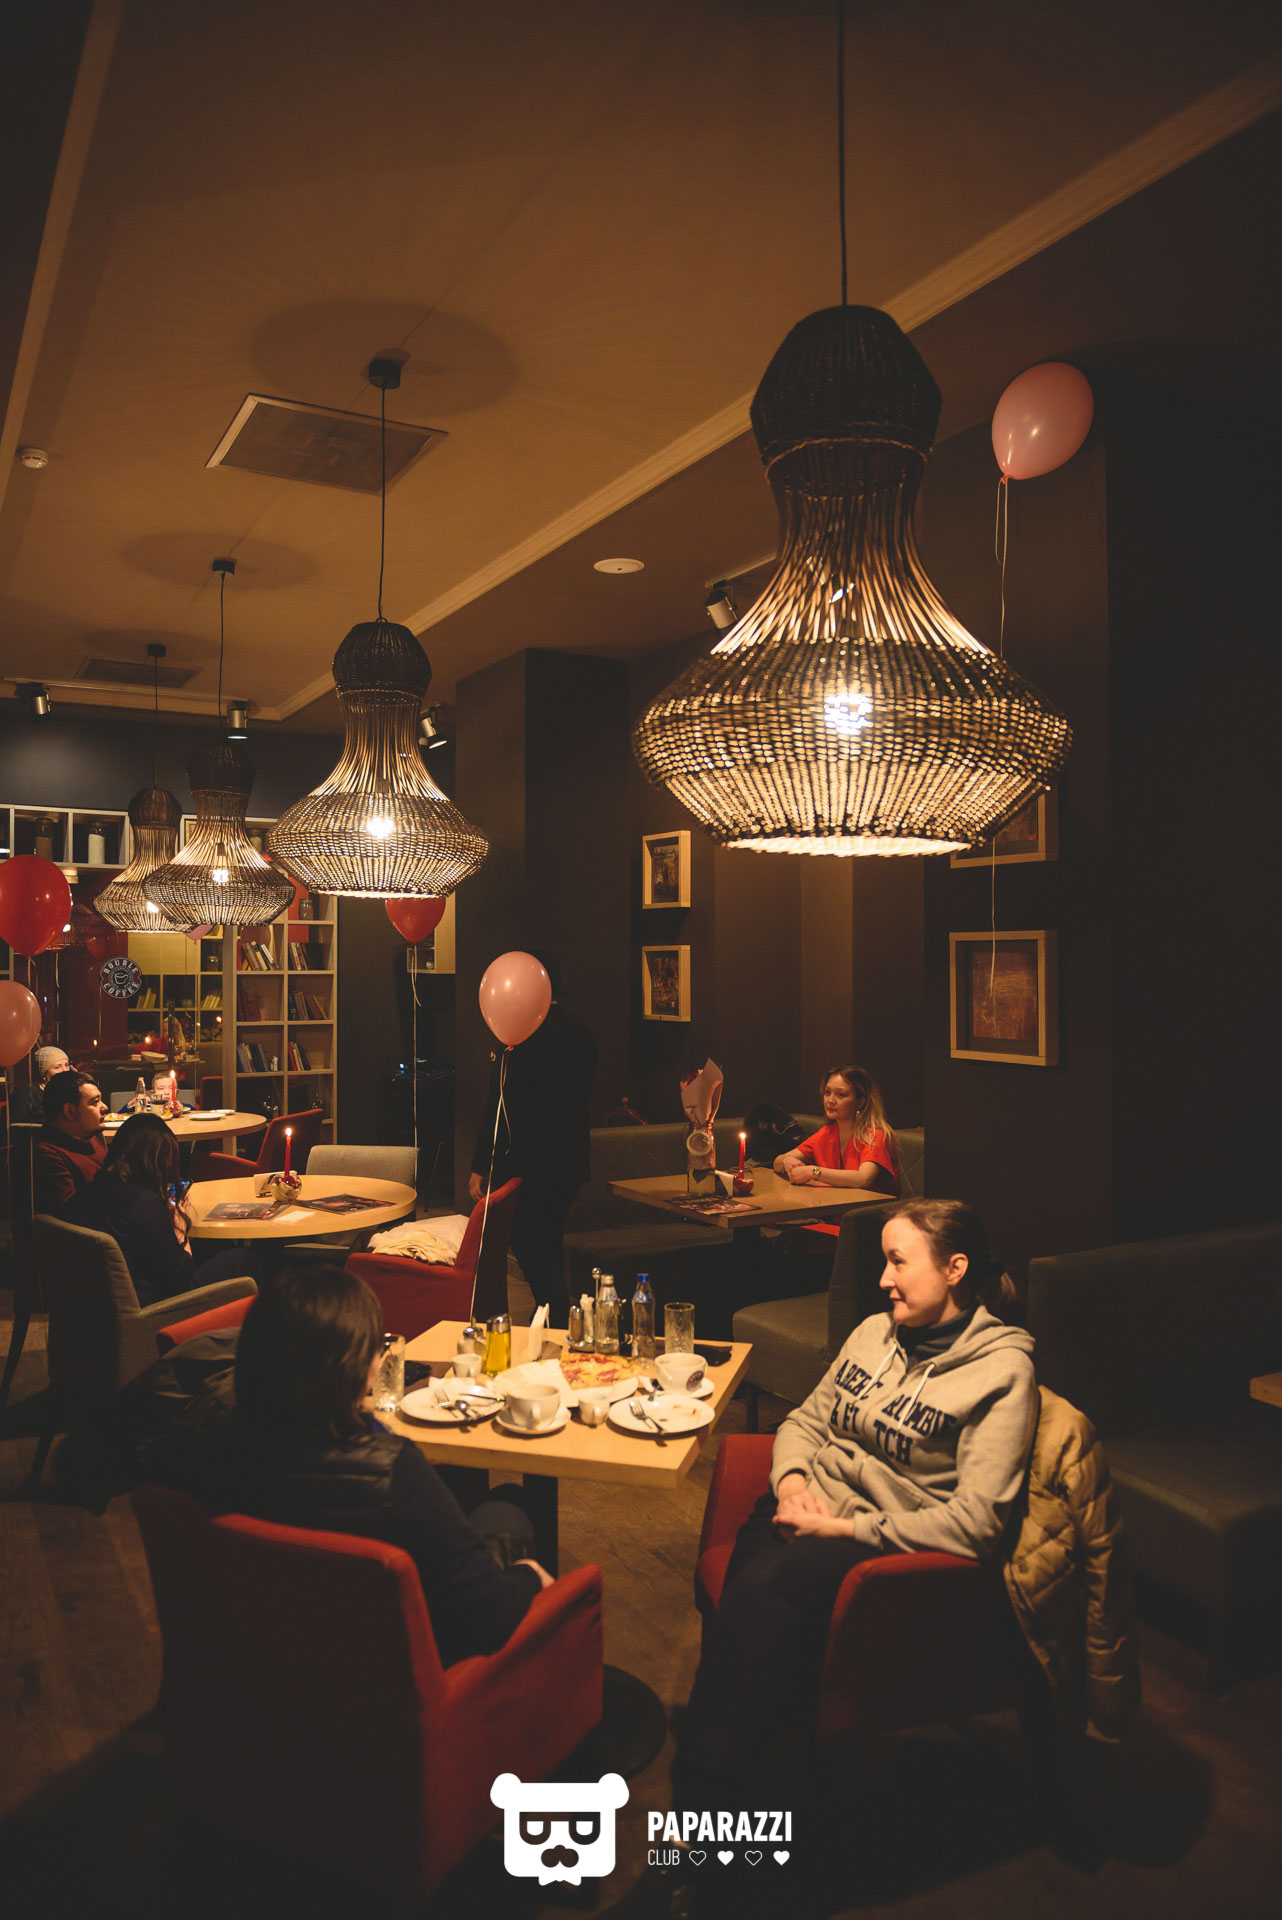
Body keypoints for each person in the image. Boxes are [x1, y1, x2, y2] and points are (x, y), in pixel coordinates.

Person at [675, 1198, 1036, 1816]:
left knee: (761, 1591)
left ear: (955, 1269)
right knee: (757, 1596)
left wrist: (841, 1526)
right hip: (803, 1504)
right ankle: (754, 1763)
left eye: (899, 1262)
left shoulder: (1001, 1372)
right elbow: (805, 1422)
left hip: (877, 1544)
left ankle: (703, 1809)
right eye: (883, 1261)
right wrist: (792, 1481)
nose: (884, 1279)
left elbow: (977, 1523)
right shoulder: (874, 1334)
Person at [152, 1263, 554, 1666]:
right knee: (510, 1508)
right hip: (401, 1671)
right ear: (357, 1367)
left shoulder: (196, 1451)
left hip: (259, 1661)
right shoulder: (393, 1473)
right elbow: (488, 1616)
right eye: (372, 1347)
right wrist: (528, 1577)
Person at [469, 952, 596, 1312]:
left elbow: (499, 1104)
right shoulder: (580, 1035)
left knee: (532, 1245)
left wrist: (482, 1164)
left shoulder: (520, 1038)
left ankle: (554, 1314)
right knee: (546, 1242)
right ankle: (556, 1315)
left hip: (528, 1165)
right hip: (568, 1162)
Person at [66, 1112, 253, 1307]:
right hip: (150, 1309)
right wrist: (180, 1231)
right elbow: (180, 1275)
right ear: (154, 1159)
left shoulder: (88, 1191)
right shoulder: (143, 1202)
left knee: (214, 1246)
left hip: (98, 1301)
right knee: (244, 1259)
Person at [773, 1063, 900, 1195]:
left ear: (860, 1102)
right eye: (827, 1093)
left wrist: (813, 1171)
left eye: (841, 1095)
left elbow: (863, 1179)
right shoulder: (826, 1133)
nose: (830, 1100)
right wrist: (786, 1161)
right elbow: (777, 1162)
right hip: (835, 1203)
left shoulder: (875, 1135)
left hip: (872, 1207)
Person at [33, 1069, 109, 1215]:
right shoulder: (48, 1154)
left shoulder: (87, 1136)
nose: (104, 1107)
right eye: (95, 1102)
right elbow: (70, 1212)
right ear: (70, 1111)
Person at [9, 1046, 70, 1124]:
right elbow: (15, 1126)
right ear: (44, 1073)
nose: (65, 1070)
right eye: (57, 1067)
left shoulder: (68, 1091)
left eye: (67, 1065)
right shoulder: (27, 1094)